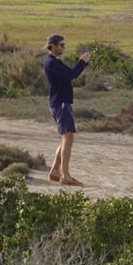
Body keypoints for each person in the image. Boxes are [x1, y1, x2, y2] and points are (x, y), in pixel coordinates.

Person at [43, 34, 91, 186]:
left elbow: (70, 74)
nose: (64, 48)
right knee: (68, 137)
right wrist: (81, 63)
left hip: (61, 102)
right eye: (61, 45)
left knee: (66, 138)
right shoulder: (52, 63)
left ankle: (55, 171)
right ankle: (65, 175)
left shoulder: (55, 62)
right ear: (53, 46)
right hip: (60, 103)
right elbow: (71, 74)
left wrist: (82, 64)